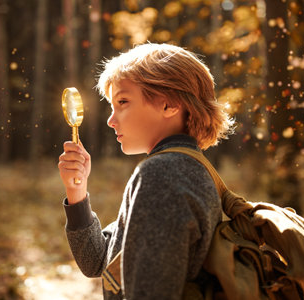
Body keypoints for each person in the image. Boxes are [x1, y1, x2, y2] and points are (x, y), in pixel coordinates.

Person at [58, 43, 234, 299]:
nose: (110, 119)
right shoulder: (185, 167)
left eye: (123, 101)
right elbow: (98, 261)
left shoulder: (163, 174)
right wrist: (77, 191)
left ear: (169, 104)